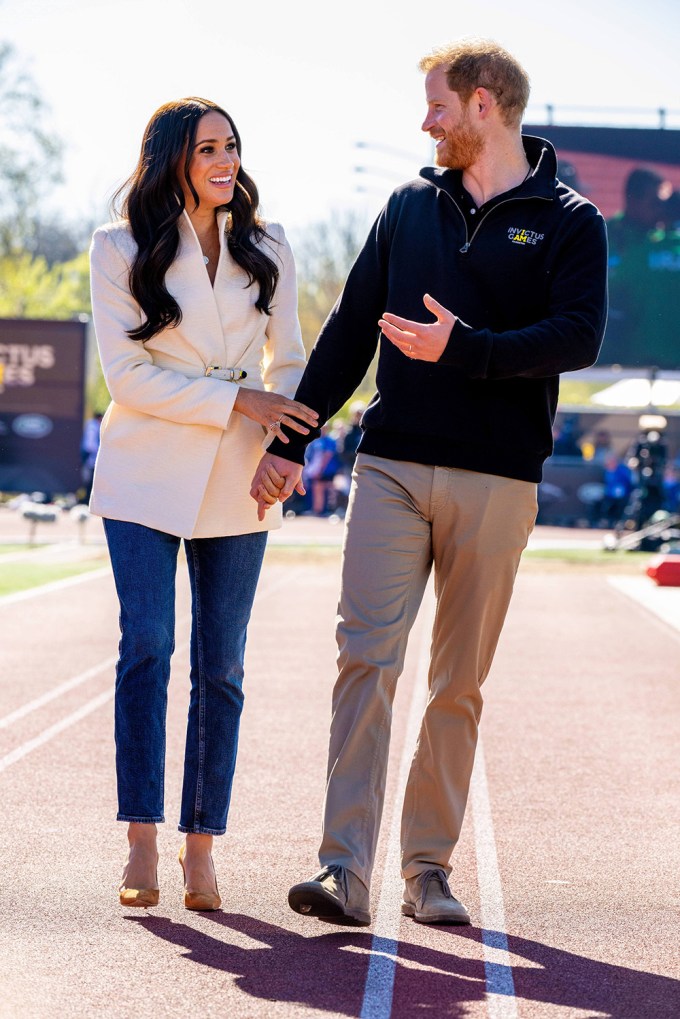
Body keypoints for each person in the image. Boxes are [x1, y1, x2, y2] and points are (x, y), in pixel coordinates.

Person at [251, 39, 608, 927]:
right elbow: (347, 331)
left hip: (499, 479)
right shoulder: (410, 203)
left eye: (438, 105)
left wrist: (469, 350)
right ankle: (343, 868)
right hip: (393, 464)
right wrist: (295, 437)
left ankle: (427, 869)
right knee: (365, 659)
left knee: (456, 683)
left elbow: (578, 336)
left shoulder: (570, 219)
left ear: (484, 105)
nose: (425, 121)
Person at [88, 97, 316, 911]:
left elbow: (289, 361)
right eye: (208, 148)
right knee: (147, 645)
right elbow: (128, 377)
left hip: (241, 477)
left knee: (222, 666)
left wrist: (282, 449)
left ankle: (200, 846)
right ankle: (142, 839)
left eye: (233, 146)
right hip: (142, 473)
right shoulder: (118, 248)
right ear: (172, 159)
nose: (226, 160)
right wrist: (237, 402)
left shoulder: (272, 246)